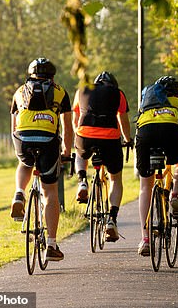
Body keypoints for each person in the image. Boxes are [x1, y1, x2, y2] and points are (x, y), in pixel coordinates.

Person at [10, 58, 74, 262]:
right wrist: (66, 151)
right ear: (52, 76)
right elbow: (67, 126)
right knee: (50, 192)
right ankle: (52, 245)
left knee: (25, 163)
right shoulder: (60, 91)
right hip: (48, 140)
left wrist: (20, 147)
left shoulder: (19, 91)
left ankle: (19, 194)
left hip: (23, 139)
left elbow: (13, 127)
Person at [134, 76, 178, 256]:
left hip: (146, 134)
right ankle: (175, 195)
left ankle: (145, 239)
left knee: (145, 186)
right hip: (171, 133)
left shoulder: (146, 103)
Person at [72, 71, 132, 242]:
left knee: (80, 152)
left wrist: (79, 133)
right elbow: (123, 119)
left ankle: (82, 181)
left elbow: (76, 117)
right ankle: (112, 219)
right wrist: (127, 140)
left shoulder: (81, 90)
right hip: (110, 138)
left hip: (85, 134)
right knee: (115, 179)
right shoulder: (118, 93)